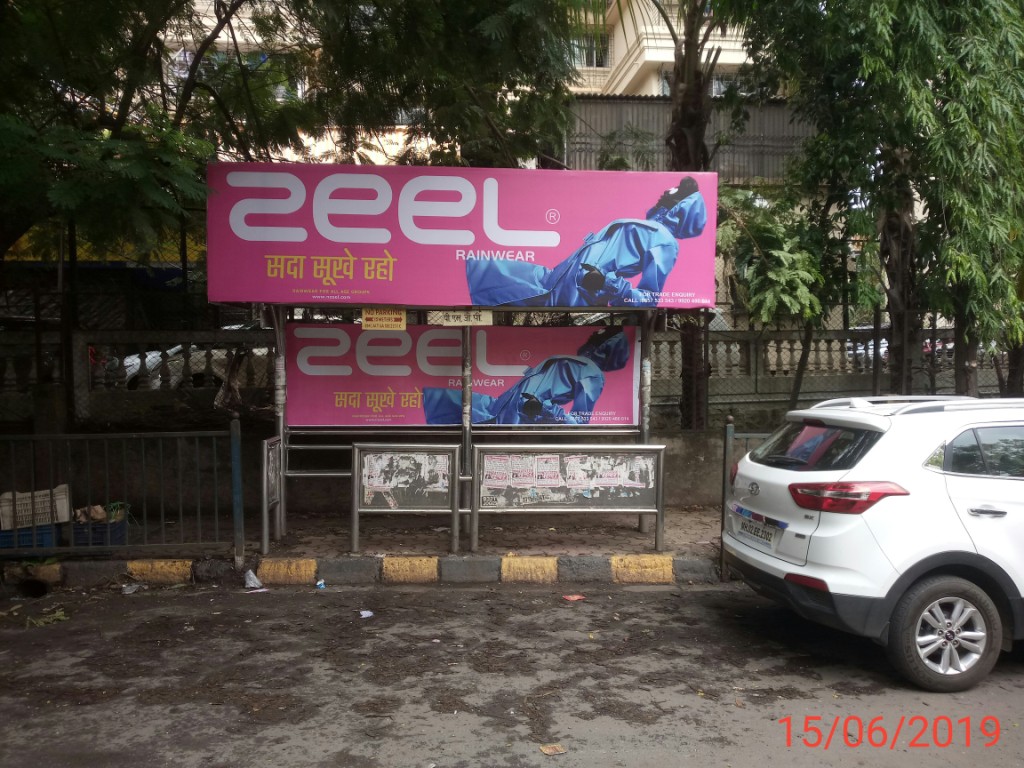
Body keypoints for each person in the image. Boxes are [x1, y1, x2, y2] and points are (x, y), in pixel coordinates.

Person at [465, 177, 707, 308]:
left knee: (488, 278)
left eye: (676, 191)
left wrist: (607, 282)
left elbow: (649, 298)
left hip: (577, 295)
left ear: (682, 208)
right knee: (484, 270)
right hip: (554, 280)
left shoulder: (664, 242)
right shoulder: (648, 227)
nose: (667, 190)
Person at [423, 328, 631, 425]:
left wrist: (544, 408)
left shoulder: (592, 374)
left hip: (519, 418)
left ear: (605, 348)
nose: (593, 334)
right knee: (443, 401)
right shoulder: (581, 365)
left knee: (445, 404)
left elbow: (578, 422)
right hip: (503, 408)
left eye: (601, 335)